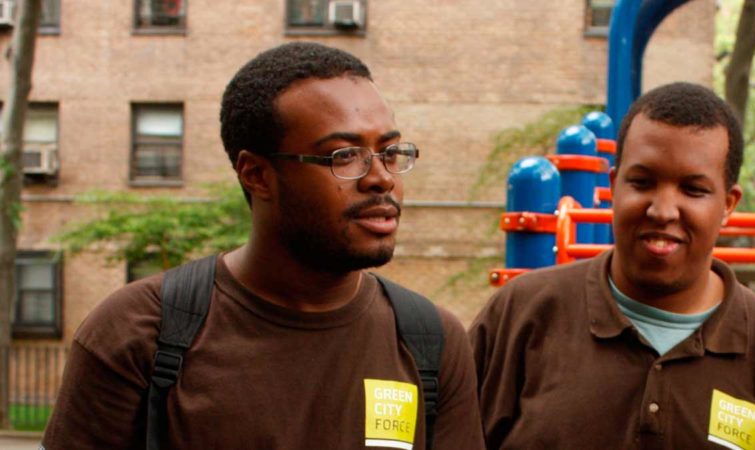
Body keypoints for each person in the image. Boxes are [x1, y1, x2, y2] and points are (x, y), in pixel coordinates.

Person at [42, 42, 485, 449]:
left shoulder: (431, 341)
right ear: (256, 175)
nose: (382, 178)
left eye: (389, 151)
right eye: (344, 156)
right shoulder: (139, 331)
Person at [470, 82, 755, 449]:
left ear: (728, 204)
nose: (663, 210)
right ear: (614, 186)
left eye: (693, 190)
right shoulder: (522, 315)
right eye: (642, 182)